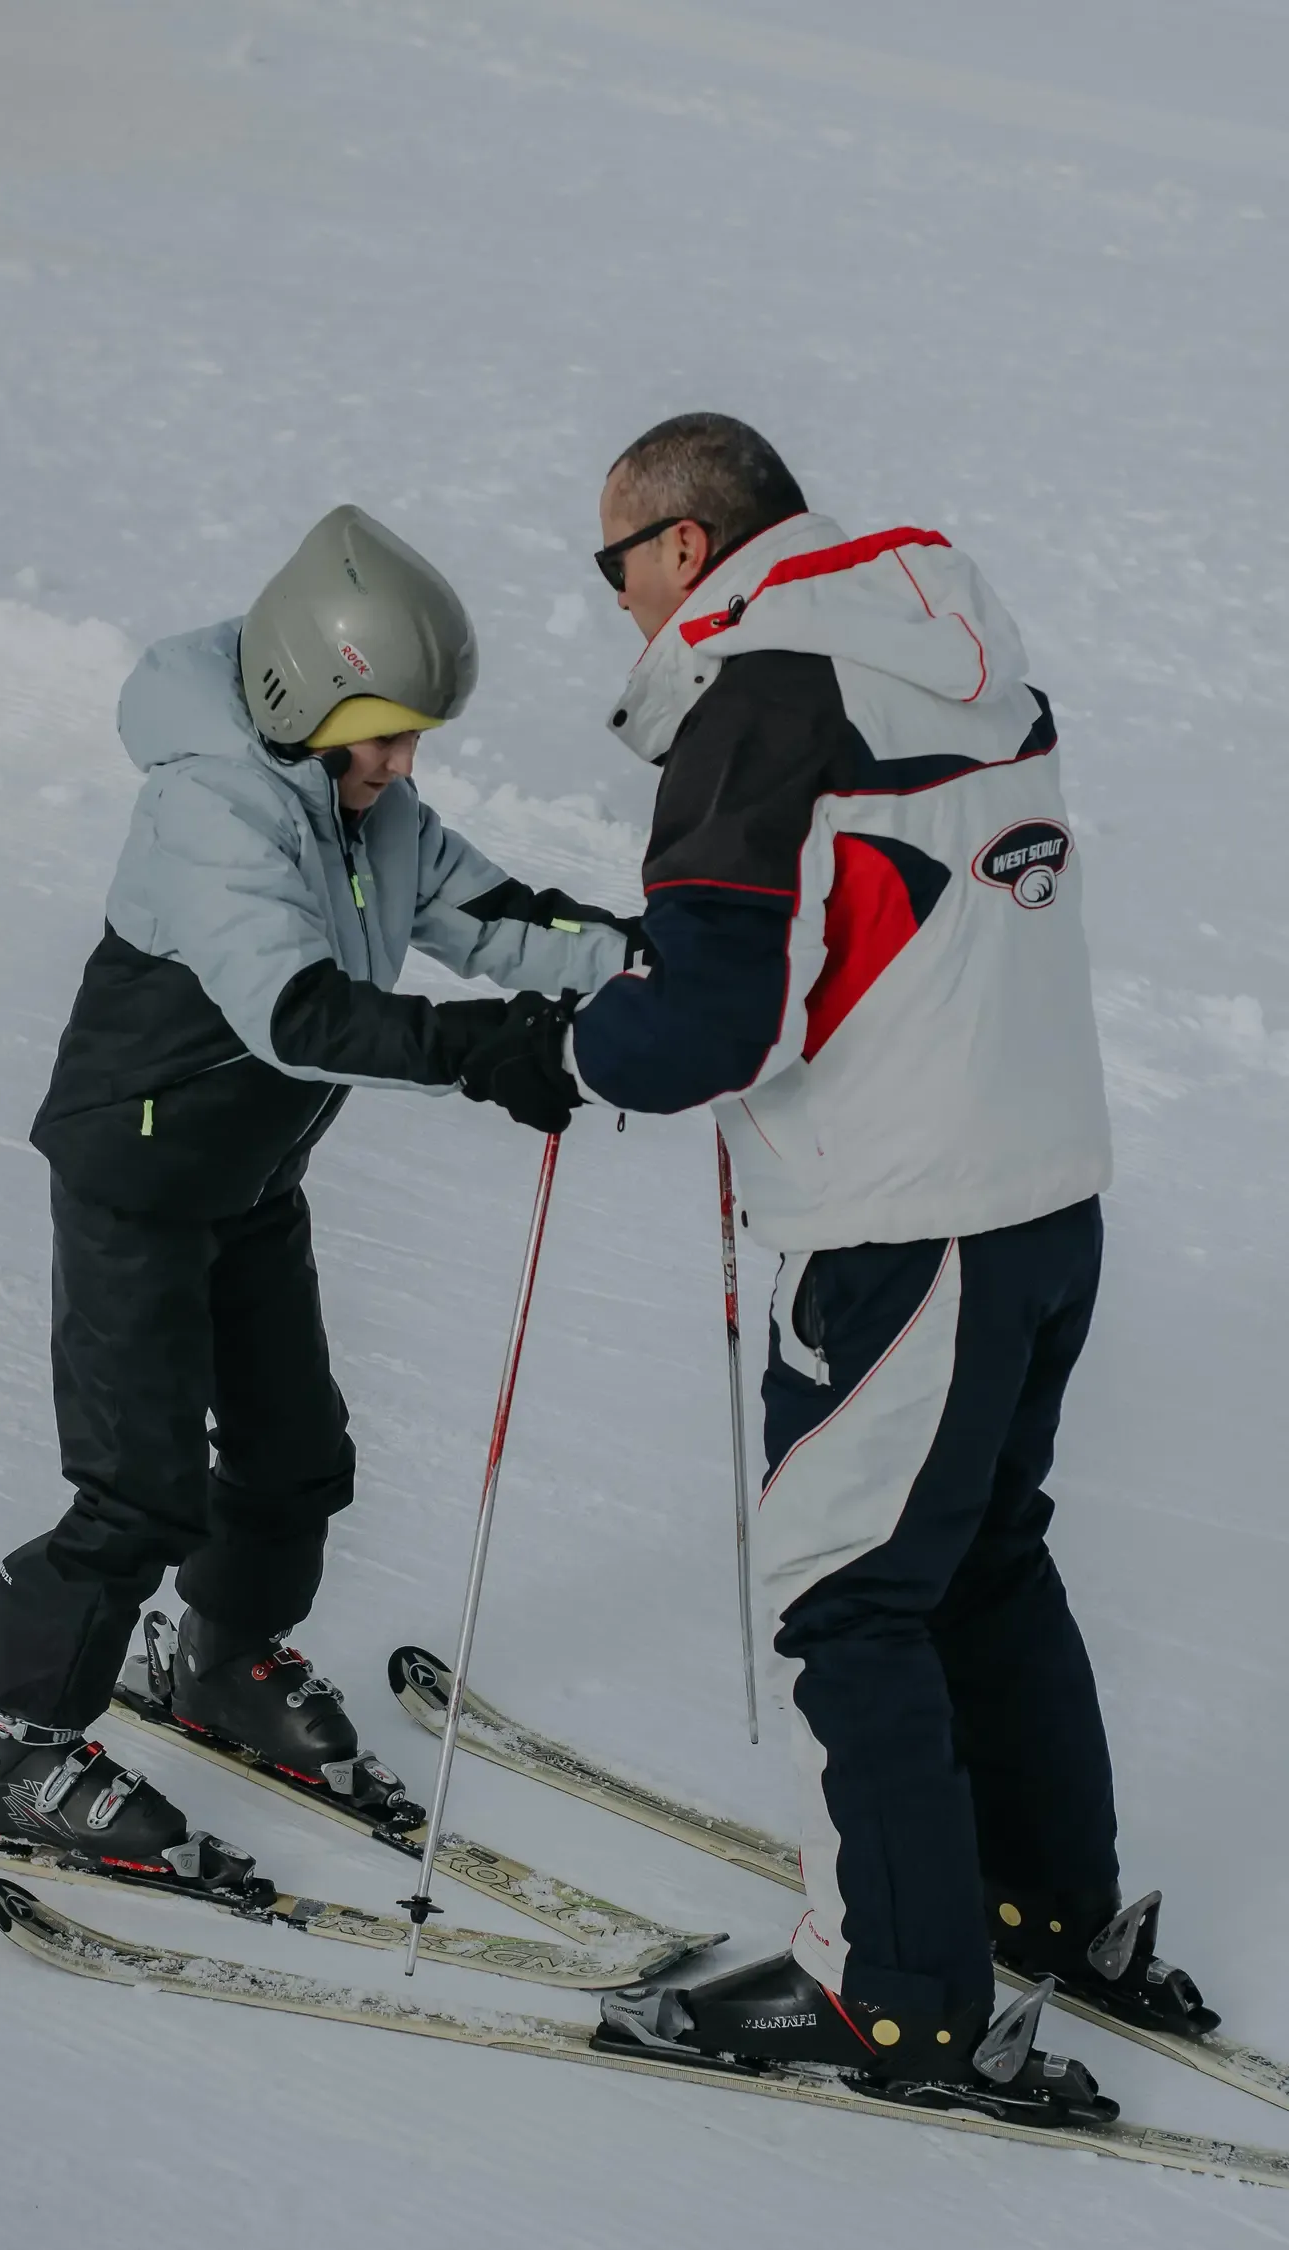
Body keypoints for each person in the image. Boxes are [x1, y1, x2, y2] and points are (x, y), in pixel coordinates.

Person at [457, 413, 1216, 2121]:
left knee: (844, 1591)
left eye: (613, 570)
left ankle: (897, 1994)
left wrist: (571, 1052)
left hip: (897, 1219)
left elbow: (719, 1022)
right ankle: (1044, 1901)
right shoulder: (953, 637)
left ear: (680, 548)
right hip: (1045, 1193)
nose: (620, 612)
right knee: (979, 1553)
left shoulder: (761, 699)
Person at [0, 505, 639, 1889]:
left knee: (295, 1455)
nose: (404, 767)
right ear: (305, 697)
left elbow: (491, 914)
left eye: (414, 738)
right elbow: (300, 1014)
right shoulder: (210, 811)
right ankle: (13, 1741)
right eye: (388, 735)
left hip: (247, 1180)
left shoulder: (370, 809)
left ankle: (220, 1662)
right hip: (136, 1182)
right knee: (138, 1487)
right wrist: (488, 1052)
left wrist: (641, 963)